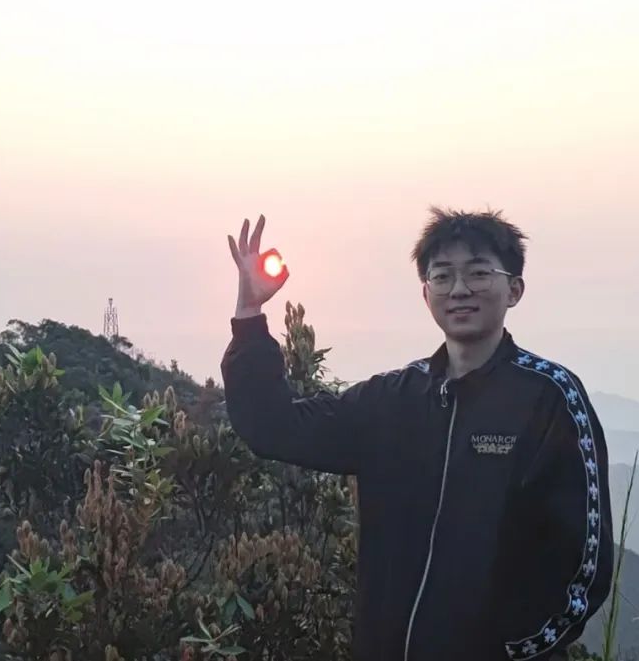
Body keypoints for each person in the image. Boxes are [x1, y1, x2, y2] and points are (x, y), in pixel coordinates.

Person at [221, 207, 613, 660]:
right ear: (426, 293)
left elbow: (583, 562)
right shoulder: (391, 400)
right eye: (442, 276)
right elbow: (274, 427)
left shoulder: (549, 397)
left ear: (514, 290)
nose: (459, 289)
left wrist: (513, 650)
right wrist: (249, 315)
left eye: (479, 273)